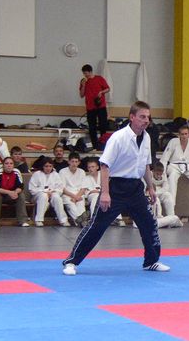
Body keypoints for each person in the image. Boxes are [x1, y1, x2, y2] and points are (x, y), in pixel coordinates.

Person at [61, 101, 170, 276]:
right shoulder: (118, 137)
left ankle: (151, 261)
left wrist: (150, 188)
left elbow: (145, 165)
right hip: (115, 188)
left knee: (149, 224)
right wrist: (105, 193)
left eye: (148, 117)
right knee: (97, 226)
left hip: (136, 188)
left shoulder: (147, 137)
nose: (146, 120)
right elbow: (105, 165)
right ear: (132, 117)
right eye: (142, 117)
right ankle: (71, 261)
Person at [0, 157, 30, 227]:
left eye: (11, 163)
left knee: (21, 195)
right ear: (3, 165)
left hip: (11, 195)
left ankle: (23, 221)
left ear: (13, 165)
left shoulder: (16, 172)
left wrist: (15, 192)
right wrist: (9, 192)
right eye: (6, 163)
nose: (9, 165)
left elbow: (21, 186)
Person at [28, 158, 70, 227]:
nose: (48, 168)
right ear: (43, 166)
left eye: (50, 166)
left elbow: (60, 188)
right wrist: (45, 192)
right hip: (38, 196)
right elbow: (32, 189)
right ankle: (39, 220)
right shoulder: (36, 174)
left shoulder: (56, 175)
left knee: (57, 198)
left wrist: (52, 191)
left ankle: (63, 220)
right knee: (43, 196)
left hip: (52, 193)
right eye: (46, 166)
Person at [84, 157, 125, 225]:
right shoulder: (86, 178)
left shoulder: (103, 174)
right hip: (92, 196)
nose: (91, 169)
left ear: (97, 167)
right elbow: (87, 191)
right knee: (96, 197)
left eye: (92, 167)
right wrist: (96, 192)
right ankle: (94, 219)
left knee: (111, 198)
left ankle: (118, 218)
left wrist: (99, 191)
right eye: (89, 167)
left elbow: (109, 184)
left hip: (103, 193)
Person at [80, 64, 110, 150]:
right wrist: (83, 85)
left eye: (86, 73)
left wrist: (101, 92)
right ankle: (95, 145)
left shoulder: (99, 78)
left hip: (101, 105)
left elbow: (108, 88)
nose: (85, 75)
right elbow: (81, 95)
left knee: (103, 125)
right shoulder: (83, 81)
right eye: (84, 73)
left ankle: (103, 143)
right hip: (90, 107)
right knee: (92, 127)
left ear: (90, 72)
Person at [60, 152, 90, 227]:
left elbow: (83, 188)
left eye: (76, 162)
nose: (74, 163)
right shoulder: (62, 171)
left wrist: (77, 196)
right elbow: (62, 188)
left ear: (79, 162)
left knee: (81, 205)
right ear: (68, 162)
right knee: (71, 206)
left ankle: (81, 221)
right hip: (67, 194)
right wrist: (74, 196)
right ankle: (81, 221)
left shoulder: (82, 172)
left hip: (79, 194)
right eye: (72, 161)